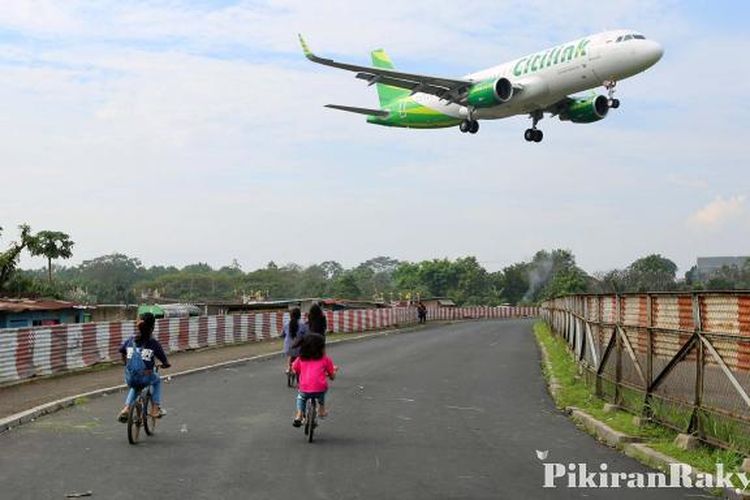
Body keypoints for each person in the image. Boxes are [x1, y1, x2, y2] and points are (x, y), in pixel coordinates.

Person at [117, 312, 171, 423]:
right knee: (156, 380)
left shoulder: (131, 340)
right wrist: (165, 365)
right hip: (145, 377)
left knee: (135, 387)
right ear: (152, 327)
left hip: (130, 377)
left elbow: (122, 351)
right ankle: (155, 409)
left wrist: (126, 363)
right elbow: (164, 361)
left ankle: (126, 409)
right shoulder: (153, 343)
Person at [292, 333, 336, 427]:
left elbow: (294, 369)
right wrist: (333, 372)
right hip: (319, 389)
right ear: (321, 348)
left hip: (304, 388)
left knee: (301, 398)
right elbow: (332, 376)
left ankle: (299, 415)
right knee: (321, 393)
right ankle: (321, 409)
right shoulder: (325, 360)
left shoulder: (301, 359)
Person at [281, 307, 309, 373]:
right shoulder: (302, 324)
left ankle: (288, 368)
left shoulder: (286, 324)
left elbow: (282, 334)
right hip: (299, 348)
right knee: (301, 355)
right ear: (299, 315)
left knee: (290, 355)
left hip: (288, 348)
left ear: (290, 315)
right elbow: (306, 335)